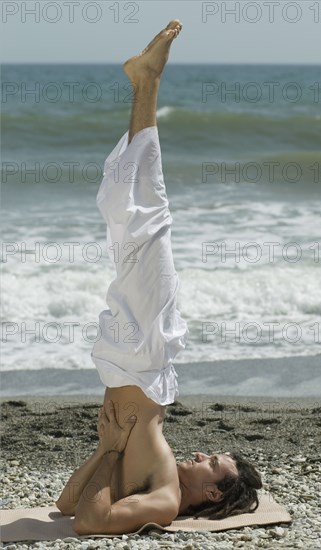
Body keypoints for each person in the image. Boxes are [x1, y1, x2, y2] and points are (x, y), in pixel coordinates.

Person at [56, 20, 262, 535]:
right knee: (139, 217)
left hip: (124, 357)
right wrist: (108, 451)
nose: (201, 451)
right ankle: (145, 83)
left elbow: (75, 513)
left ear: (211, 492)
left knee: (131, 216)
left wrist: (107, 450)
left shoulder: (166, 499)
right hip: (147, 356)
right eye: (213, 454)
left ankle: (144, 83)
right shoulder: (160, 476)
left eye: (213, 462)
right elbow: (80, 512)